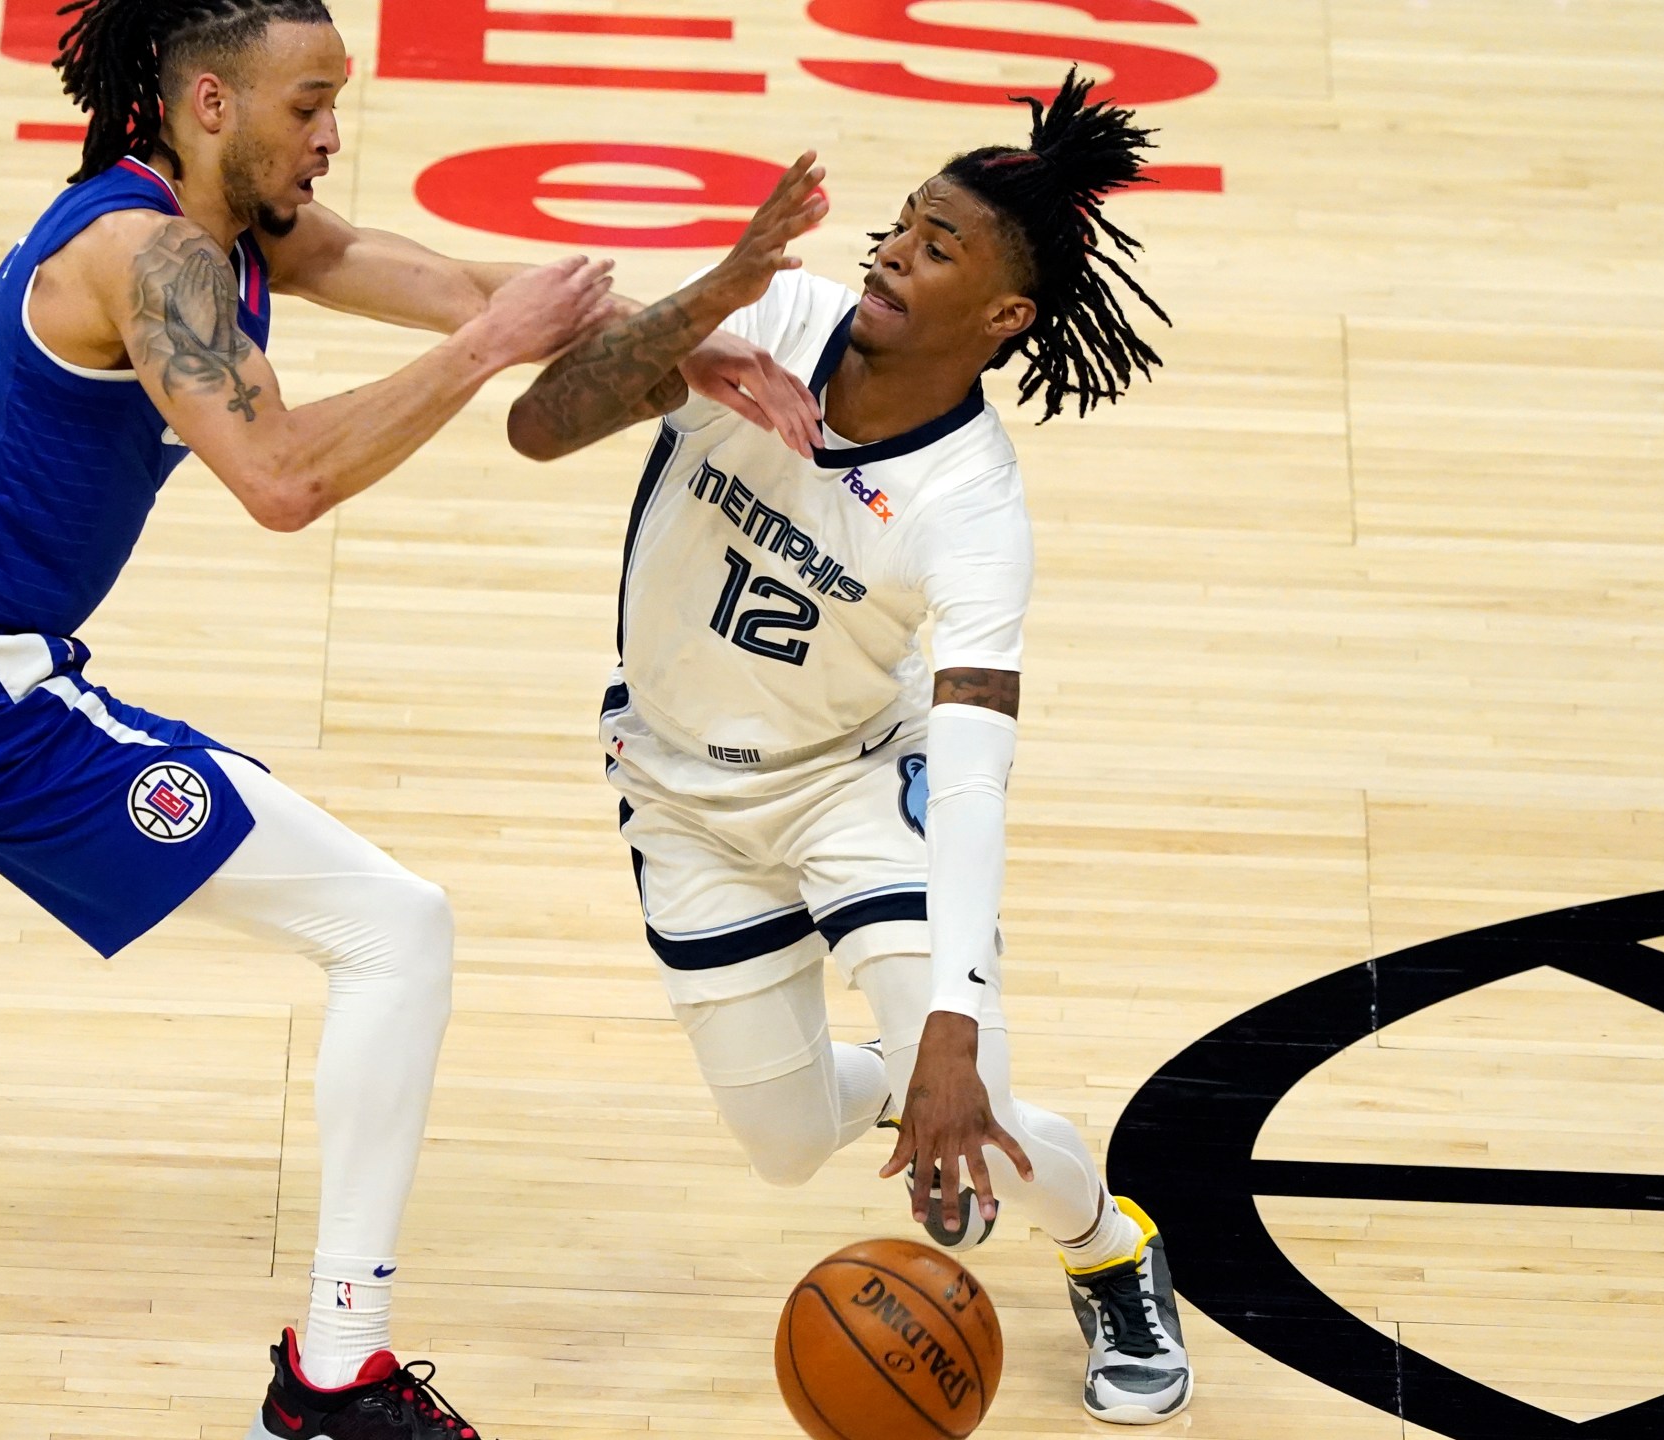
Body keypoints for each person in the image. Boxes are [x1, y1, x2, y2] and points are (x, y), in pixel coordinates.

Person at [0, 3, 775, 1436]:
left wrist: (669, 350)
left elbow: (455, 280)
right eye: (309, 105)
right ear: (210, 103)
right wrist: (486, 356)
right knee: (396, 931)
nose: (334, 134)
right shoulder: (155, 264)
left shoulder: (203, 223)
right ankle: (339, 1373)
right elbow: (282, 481)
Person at [504, 74, 1194, 1426]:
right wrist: (711, 293)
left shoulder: (973, 506)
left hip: (849, 789)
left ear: (1005, 318)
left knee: (977, 1096)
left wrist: (953, 1022)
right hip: (679, 793)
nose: (891, 251)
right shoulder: (768, 314)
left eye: (938, 247)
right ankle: (899, 1082)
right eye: (898, 226)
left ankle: (1109, 1243)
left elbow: (978, 762)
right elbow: (538, 426)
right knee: (780, 1146)